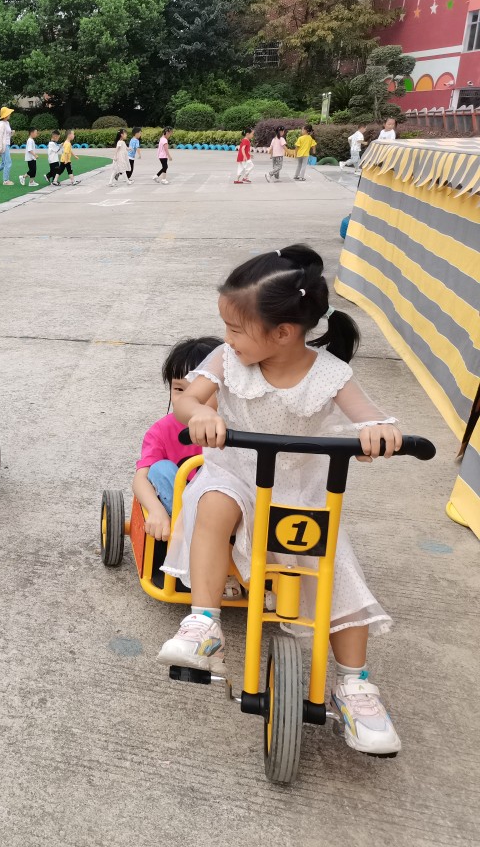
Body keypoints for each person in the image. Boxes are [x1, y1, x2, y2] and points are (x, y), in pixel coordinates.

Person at [158, 244, 406, 756]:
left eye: (235, 328)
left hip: (301, 493)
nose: (226, 338)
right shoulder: (227, 361)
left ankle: (355, 684)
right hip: (236, 475)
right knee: (214, 503)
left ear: (284, 333)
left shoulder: (330, 374)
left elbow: (371, 416)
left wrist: (378, 432)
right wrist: (199, 413)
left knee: (337, 569)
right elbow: (188, 398)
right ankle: (204, 623)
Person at [132, 336, 223, 541]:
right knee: (160, 469)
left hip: (224, 509)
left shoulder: (234, 427)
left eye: (200, 392)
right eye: (179, 389)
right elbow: (140, 478)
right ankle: (188, 533)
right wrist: (156, 510)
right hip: (179, 513)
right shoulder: (162, 431)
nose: (187, 400)